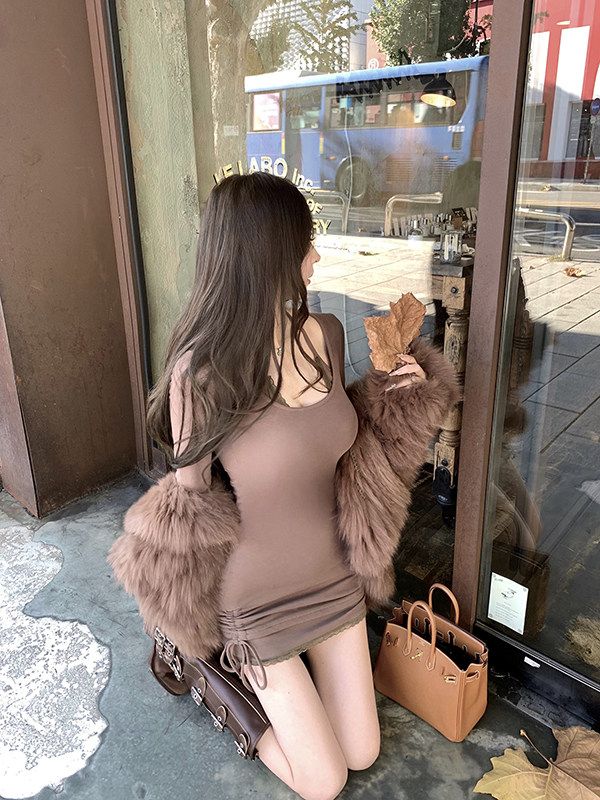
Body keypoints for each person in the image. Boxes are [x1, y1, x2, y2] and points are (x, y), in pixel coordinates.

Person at [110, 172, 459, 800]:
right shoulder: (201, 374)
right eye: (305, 244)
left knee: (363, 750)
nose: (317, 256)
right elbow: (188, 507)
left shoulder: (326, 334)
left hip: (333, 577)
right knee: (323, 780)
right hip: (257, 599)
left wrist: (399, 392)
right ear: (268, 254)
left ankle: (287, 691)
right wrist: (185, 613)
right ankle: (216, 680)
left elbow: (348, 443)